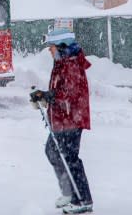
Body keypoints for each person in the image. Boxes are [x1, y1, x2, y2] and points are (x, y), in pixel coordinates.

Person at [30, 27, 94, 214]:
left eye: (52, 46)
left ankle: (82, 199)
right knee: (52, 151)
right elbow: (59, 92)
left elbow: (69, 94)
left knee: (69, 158)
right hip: (62, 119)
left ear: (62, 46)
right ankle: (69, 193)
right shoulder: (61, 63)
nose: (49, 50)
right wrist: (44, 96)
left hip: (72, 119)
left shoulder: (71, 64)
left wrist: (48, 96)